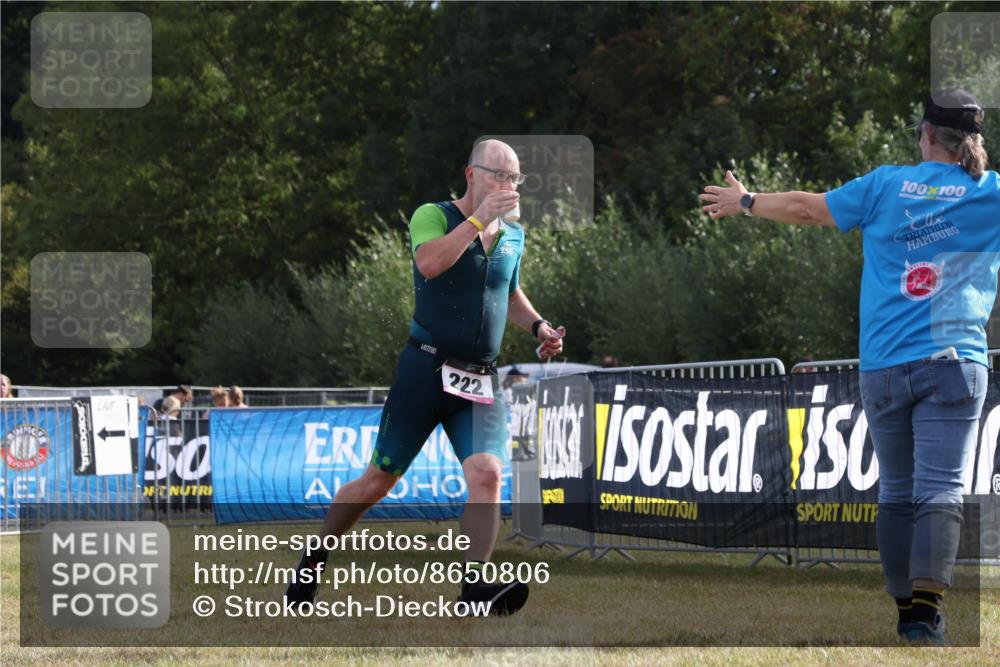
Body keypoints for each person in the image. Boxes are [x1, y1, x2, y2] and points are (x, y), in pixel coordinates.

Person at [700, 88, 997, 644]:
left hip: (884, 365)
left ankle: (906, 608)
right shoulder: (991, 193)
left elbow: (807, 208)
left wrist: (746, 201)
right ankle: (924, 616)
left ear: (926, 134)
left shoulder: (886, 184)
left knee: (896, 491)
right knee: (940, 491)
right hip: (955, 364)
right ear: (970, 142)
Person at [286, 139, 564, 616]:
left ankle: (474, 589)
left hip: (479, 379)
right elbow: (430, 264)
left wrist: (538, 326)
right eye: (499, 175)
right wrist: (477, 222)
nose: (508, 186)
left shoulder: (514, 235)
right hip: (426, 370)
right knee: (377, 482)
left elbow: (509, 291)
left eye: (515, 179)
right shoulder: (432, 215)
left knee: (489, 474)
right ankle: (314, 558)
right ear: (470, 174)